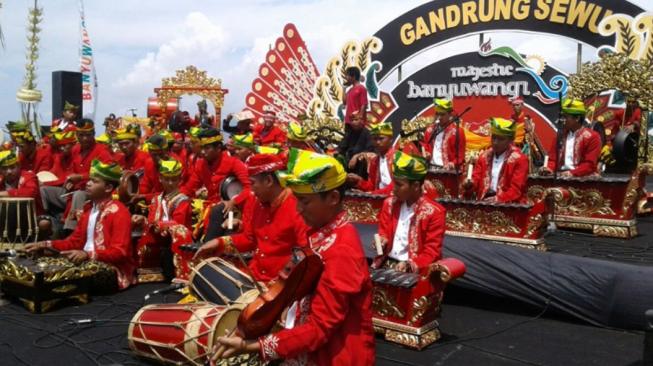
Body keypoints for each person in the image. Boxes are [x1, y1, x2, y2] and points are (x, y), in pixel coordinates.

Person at [213, 148, 375, 365]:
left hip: (335, 356)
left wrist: (253, 346)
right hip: (308, 345)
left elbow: (319, 328)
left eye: (304, 201)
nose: (298, 209)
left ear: (333, 198)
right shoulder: (318, 232)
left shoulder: (342, 251)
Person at [194, 153, 309, 282]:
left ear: (269, 181)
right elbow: (249, 239)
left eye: (252, 183)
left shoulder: (297, 208)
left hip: (281, 285)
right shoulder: (257, 203)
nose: (251, 190)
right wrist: (219, 243)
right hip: (255, 275)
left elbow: (305, 254)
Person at [25, 160, 135, 290]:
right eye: (89, 180)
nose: (88, 183)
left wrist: (88, 254)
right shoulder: (87, 211)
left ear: (108, 188)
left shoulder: (119, 212)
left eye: (94, 181)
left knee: (60, 277)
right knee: (40, 268)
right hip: (86, 262)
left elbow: (120, 252)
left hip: (112, 270)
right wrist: (44, 244)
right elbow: (74, 242)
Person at [374, 151, 444, 272]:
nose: (393, 189)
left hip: (413, 271)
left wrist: (410, 265)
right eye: (393, 183)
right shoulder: (389, 204)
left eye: (398, 185)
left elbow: (431, 252)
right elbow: (383, 232)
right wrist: (382, 240)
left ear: (416, 186)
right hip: (386, 263)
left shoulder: (434, 212)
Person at [181, 128, 251, 240]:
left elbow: (250, 188)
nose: (203, 152)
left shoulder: (234, 163)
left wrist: (234, 201)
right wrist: (174, 198)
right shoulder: (200, 164)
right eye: (202, 148)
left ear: (218, 148)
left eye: (207, 148)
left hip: (234, 209)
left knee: (219, 211)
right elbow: (189, 188)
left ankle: (209, 247)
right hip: (211, 208)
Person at [132, 158, 192, 281]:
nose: (170, 183)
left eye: (174, 179)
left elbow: (179, 224)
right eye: (166, 179)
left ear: (180, 180)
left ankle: (182, 275)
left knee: (178, 232)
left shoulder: (182, 200)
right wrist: (142, 220)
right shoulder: (156, 199)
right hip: (159, 234)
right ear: (160, 178)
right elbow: (151, 220)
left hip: (176, 238)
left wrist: (153, 224)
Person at [463, 118, 529, 203]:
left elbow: (516, 189)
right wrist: (470, 184)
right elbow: (476, 179)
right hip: (485, 201)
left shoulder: (520, 159)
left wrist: (499, 199)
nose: (495, 142)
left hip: (510, 205)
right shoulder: (484, 156)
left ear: (510, 140)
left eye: (500, 139)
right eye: (493, 138)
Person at [540, 98, 602, 177]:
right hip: (561, 175)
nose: (563, 120)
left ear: (577, 118)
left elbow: (589, 165)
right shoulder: (560, 136)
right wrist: (548, 168)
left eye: (566, 117)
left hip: (583, 179)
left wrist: (572, 173)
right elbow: (553, 159)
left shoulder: (592, 137)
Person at [346, 122, 395, 195]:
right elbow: (372, 186)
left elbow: (395, 187)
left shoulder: (398, 158)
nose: (377, 142)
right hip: (378, 197)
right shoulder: (374, 161)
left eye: (381, 138)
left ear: (390, 139)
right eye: (375, 139)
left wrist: (371, 194)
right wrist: (359, 181)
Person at [421, 98, 466, 170]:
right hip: (431, 171)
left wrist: (453, 163)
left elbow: (460, 156)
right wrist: (426, 153)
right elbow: (425, 146)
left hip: (448, 173)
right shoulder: (430, 130)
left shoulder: (457, 132)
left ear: (449, 114)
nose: (439, 117)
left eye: (442, 114)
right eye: (437, 114)